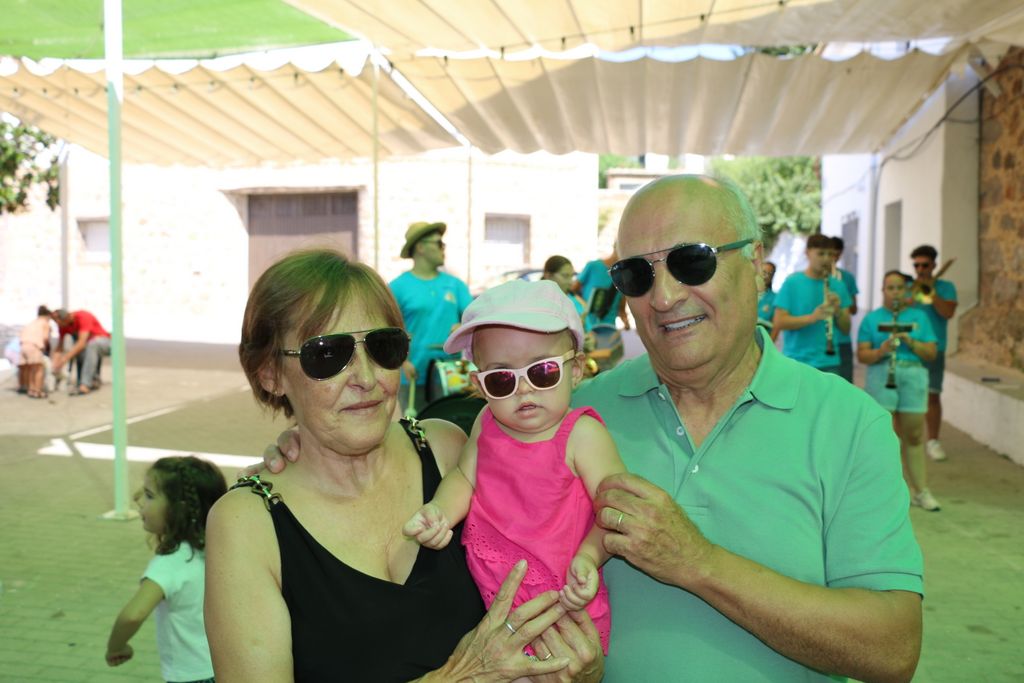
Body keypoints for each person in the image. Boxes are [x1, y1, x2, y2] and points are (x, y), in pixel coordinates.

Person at [266, 179, 925, 681]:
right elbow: (426, 448)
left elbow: (894, 648)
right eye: (637, 273)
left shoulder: (849, 422)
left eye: (692, 262)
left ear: (757, 266)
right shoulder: (562, 405)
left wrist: (701, 564)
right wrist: (305, 441)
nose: (664, 295)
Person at [206, 248, 601, 682]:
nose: (366, 377)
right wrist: (461, 677)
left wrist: (582, 668)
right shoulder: (247, 525)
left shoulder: (448, 450)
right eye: (327, 355)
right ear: (270, 374)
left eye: (384, 346)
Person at [403, 279, 626, 655]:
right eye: (502, 379)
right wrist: (440, 511)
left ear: (575, 370)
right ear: (479, 385)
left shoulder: (582, 436)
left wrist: (589, 556)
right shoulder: (486, 423)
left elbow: (616, 510)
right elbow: (465, 477)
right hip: (490, 596)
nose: (524, 389)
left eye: (542, 372)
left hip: (561, 603)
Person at [105, 456, 227, 682]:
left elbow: (133, 615)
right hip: (224, 667)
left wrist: (116, 647)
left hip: (192, 676)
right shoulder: (219, 550)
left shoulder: (171, 563)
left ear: (178, 509)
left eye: (149, 495)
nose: (137, 499)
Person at [857, 271, 940, 511]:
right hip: (882, 375)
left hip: (913, 376)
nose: (895, 293)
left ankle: (920, 491)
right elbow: (862, 355)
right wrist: (882, 350)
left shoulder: (919, 317)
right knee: (881, 435)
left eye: (900, 288)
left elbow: (931, 353)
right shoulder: (872, 319)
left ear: (906, 291)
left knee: (914, 435)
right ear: (883, 290)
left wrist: (911, 342)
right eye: (890, 288)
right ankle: (881, 492)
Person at [390, 221, 472, 414]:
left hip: (452, 375)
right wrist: (402, 362)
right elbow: (387, 330)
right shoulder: (397, 287)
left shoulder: (455, 285)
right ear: (420, 247)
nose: (443, 249)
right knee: (414, 427)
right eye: (439, 243)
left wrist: (463, 326)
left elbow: (475, 319)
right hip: (412, 377)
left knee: (452, 425)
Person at [773, 233, 852, 375]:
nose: (826, 259)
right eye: (821, 254)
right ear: (807, 253)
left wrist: (838, 311)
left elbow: (846, 329)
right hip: (796, 361)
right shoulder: (792, 283)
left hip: (829, 362)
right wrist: (812, 317)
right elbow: (779, 322)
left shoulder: (839, 286)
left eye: (830, 254)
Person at [909, 244, 958, 462]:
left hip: (934, 349)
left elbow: (947, 312)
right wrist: (914, 292)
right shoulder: (909, 287)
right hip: (909, 349)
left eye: (925, 265)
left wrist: (931, 293)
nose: (920, 269)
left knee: (932, 395)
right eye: (917, 265)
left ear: (934, 265)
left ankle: (933, 441)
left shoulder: (946, 287)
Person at [51, 308, 111, 395]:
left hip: (105, 342)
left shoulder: (83, 316)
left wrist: (64, 359)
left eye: (60, 323)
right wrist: (55, 363)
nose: (60, 326)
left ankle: (85, 385)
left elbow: (82, 342)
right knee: (80, 351)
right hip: (89, 345)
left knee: (90, 345)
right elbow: (59, 347)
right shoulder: (63, 325)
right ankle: (91, 380)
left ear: (68, 317)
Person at [576, 249, 630, 332]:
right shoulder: (593, 266)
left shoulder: (625, 276)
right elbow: (572, 291)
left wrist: (626, 323)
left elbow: (621, 309)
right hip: (585, 327)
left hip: (608, 330)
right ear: (616, 248)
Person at [831, 236, 860, 382]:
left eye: (836, 255)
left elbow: (854, 310)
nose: (832, 258)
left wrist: (842, 298)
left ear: (840, 254)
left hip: (842, 339)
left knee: (845, 381)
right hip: (822, 339)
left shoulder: (847, 278)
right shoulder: (815, 278)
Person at [18, 305, 52, 399]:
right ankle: (37, 391)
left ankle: (31, 389)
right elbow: (45, 338)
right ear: (48, 316)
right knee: (38, 369)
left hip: (23, 346)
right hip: (34, 346)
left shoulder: (31, 323)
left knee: (30, 368)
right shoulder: (45, 323)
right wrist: (46, 348)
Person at [542, 255, 588, 321]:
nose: (571, 282)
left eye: (572, 276)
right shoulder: (537, 303)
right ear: (548, 276)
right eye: (565, 276)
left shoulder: (575, 299)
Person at [756, 261, 779, 341]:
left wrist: (769, 346)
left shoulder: (776, 298)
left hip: (761, 342)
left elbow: (776, 327)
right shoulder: (744, 293)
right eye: (764, 272)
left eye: (770, 274)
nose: (766, 276)